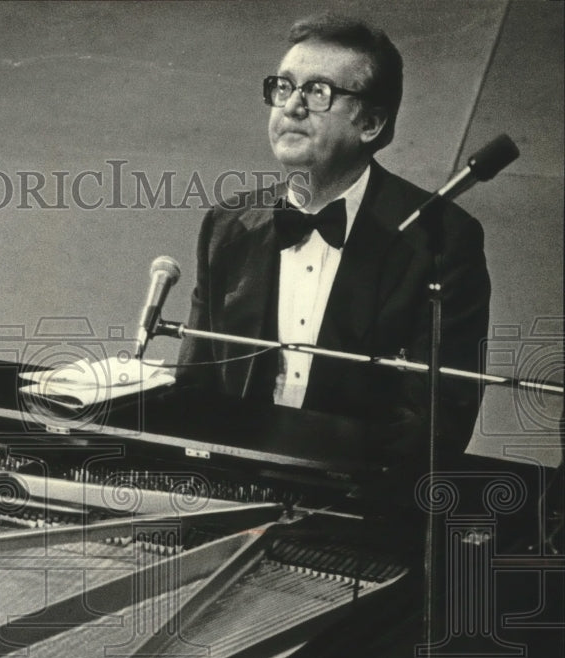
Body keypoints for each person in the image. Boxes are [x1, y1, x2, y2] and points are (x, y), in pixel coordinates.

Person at [177, 14, 490, 461]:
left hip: (359, 507)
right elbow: (196, 384)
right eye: (283, 87)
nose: (291, 107)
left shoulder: (442, 238)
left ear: (372, 124)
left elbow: (437, 422)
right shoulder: (227, 224)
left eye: (318, 92)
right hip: (235, 488)